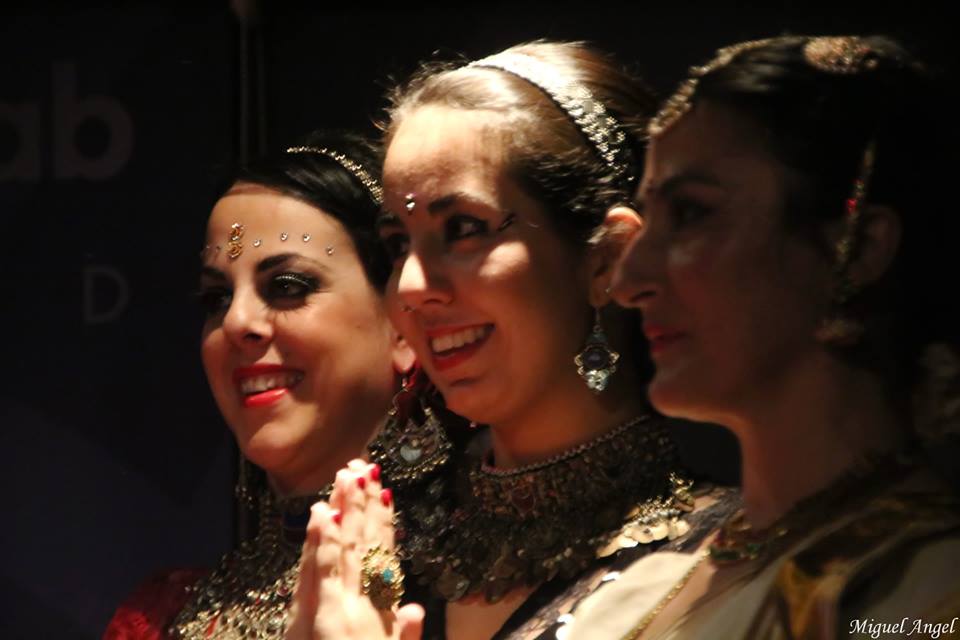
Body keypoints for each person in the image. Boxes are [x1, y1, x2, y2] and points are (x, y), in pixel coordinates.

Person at [286, 41, 739, 640]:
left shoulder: (722, 569)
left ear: (607, 259)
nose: (412, 287)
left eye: (463, 229)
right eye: (399, 244)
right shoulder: (373, 551)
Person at [561, 35, 960, 639]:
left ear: (856, 248)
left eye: (691, 213)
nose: (629, 281)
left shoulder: (923, 591)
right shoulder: (634, 593)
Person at [104, 130, 414, 639]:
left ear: (403, 321)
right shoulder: (163, 618)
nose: (236, 322)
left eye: (287, 287)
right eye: (217, 299)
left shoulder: (481, 586)